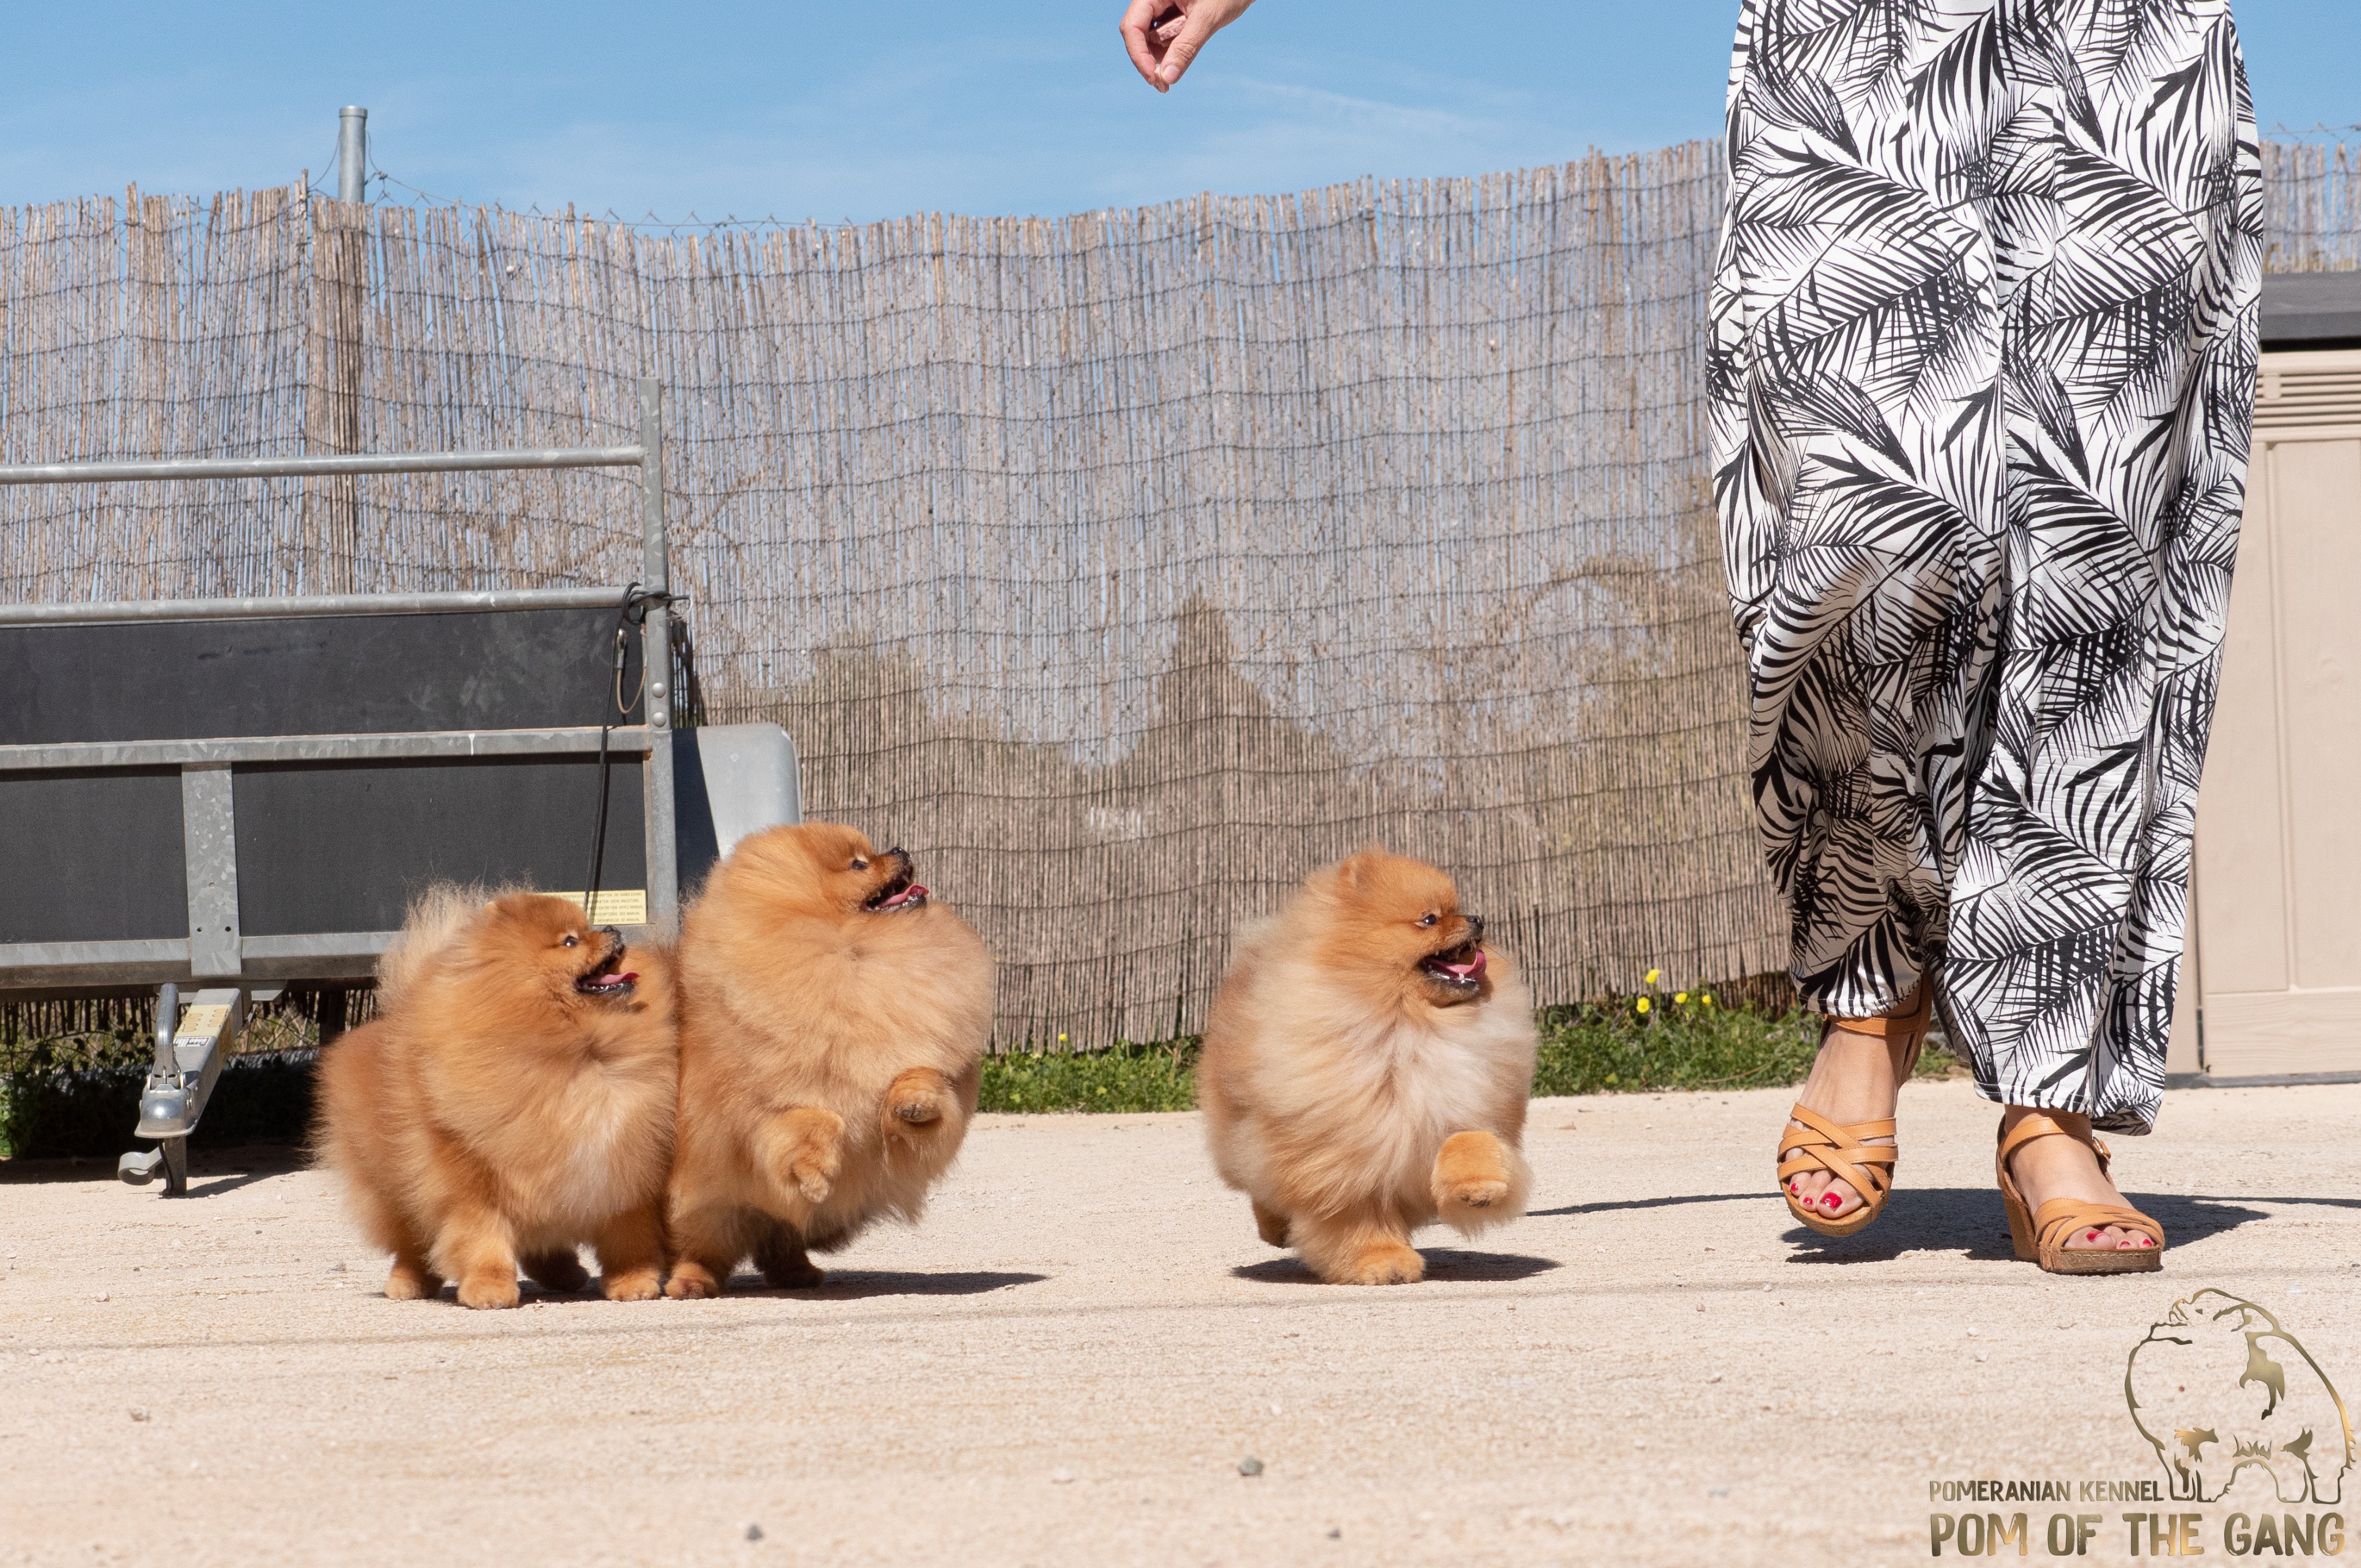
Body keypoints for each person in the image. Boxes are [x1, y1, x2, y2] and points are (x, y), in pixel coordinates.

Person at [1118, 1, 2262, 1274]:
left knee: (2091, 571)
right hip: (1858, 48)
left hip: (2125, 46)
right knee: (1864, 539)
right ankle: (1867, 983)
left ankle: (2048, 1107)